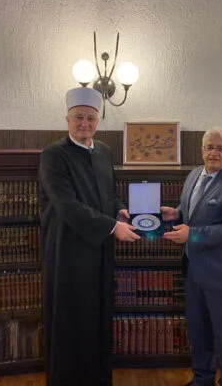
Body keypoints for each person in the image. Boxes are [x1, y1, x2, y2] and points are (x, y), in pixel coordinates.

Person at [38, 87, 141, 386]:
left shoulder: (104, 151)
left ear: (98, 121)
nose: (84, 123)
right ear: (67, 120)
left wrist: (119, 210)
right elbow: (67, 205)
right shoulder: (53, 155)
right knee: (71, 321)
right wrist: (113, 227)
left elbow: (110, 193)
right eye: (79, 117)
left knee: (98, 317)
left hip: (100, 251)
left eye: (90, 118)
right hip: (68, 252)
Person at [161, 127, 222, 386]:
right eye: (209, 147)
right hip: (195, 270)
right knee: (198, 331)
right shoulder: (194, 175)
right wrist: (176, 214)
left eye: (221, 148)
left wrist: (192, 235)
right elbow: (194, 211)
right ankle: (202, 379)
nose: (214, 152)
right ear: (202, 150)